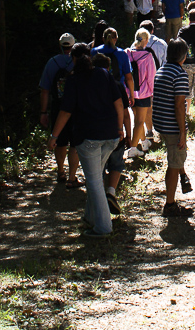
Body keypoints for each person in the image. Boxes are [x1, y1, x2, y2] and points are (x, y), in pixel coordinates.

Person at [48, 44, 124, 237]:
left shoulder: (73, 80)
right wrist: (120, 128)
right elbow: (119, 103)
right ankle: (90, 218)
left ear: (74, 62)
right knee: (96, 178)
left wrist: (54, 136)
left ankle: (103, 227)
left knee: (94, 181)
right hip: (111, 136)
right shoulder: (103, 74)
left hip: (89, 137)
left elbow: (66, 111)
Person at [152, 38, 191, 217]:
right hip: (172, 126)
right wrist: (183, 132)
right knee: (173, 164)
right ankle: (170, 204)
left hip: (161, 123)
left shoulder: (162, 70)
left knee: (175, 158)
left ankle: (182, 177)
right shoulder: (180, 75)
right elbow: (179, 105)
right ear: (183, 56)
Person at [39, 32, 81, 189]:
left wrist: (43, 112)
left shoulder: (52, 63)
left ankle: (60, 171)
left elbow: (44, 90)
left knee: (60, 141)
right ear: (73, 45)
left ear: (60, 45)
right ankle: (72, 176)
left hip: (58, 106)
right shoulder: (78, 62)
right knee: (75, 144)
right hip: (75, 107)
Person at [92, 53, 132, 215]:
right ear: (109, 68)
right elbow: (125, 112)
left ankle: (100, 196)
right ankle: (111, 192)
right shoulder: (117, 85)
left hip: (95, 131)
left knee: (99, 165)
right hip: (116, 131)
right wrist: (128, 134)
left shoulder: (89, 86)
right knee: (116, 163)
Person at [126, 28, 157, 158]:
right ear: (146, 41)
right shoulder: (148, 56)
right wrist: (153, 92)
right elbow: (151, 77)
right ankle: (133, 148)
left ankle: (144, 142)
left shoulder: (127, 53)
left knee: (136, 117)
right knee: (140, 121)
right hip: (144, 93)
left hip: (131, 92)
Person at [139, 20, 167, 141]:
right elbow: (166, 62)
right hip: (158, 79)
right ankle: (162, 130)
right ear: (152, 30)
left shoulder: (135, 46)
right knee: (160, 106)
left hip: (142, 82)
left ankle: (149, 131)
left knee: (146, 107)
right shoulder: (161, 44)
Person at [91, 27, 135, 106]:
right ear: (116, 39)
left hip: (97, 90)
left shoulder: (94, 52)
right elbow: (128, 77)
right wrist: (132, 95)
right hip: (117, 90)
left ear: (103, 39)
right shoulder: (122, 54)